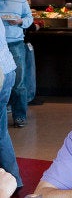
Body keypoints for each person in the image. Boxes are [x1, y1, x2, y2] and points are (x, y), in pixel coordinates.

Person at [0, 0, 33, 128]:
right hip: (0, 45)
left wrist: (20, 21)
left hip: (15, 43)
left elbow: (29, 18)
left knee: (18, 82)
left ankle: (19, 115)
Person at [10, 0, 40, 106]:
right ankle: (25, 99)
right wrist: (35, 26)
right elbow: (30, 23)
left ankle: (17, 108)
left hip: (17, 41)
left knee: (16, 78)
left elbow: (27, 19)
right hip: (20, 42)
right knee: (20, 76)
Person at [0, 18, 22, 189]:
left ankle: (10, 181)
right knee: (1, 131)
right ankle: (12, 180)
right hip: (6, 71)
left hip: (1, 73)